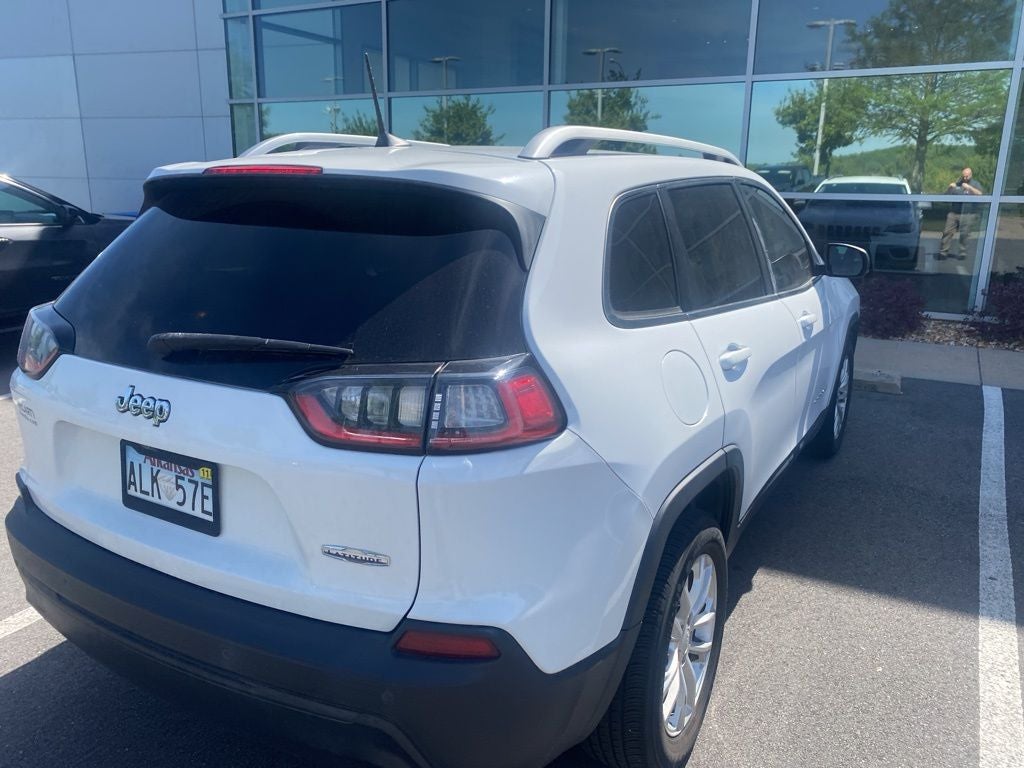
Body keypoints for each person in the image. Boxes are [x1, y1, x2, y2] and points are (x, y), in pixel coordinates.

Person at [937, 167, 983, 260]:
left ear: (971, 175)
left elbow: (980, 195)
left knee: (964, 234)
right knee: (947, 232)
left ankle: (962, 252)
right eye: (964, 176)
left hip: (968, 213)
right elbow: (945, 197)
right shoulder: (957, 183)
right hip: (954, 212)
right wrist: (950, 188)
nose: (965, 178)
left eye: (967, 176)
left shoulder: (975, 184)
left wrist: (970, 188)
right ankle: (943, 252)